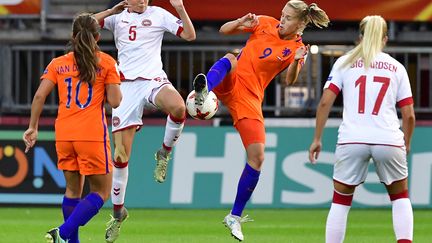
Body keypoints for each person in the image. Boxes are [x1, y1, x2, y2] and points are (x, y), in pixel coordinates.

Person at [191, 0, 329, 241]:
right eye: (282, 15)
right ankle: (204, 93)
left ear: (299, 23)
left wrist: (297, 60)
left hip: (251, 98)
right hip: (232, 81)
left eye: (287, 18)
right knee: (231, 58)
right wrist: (240, 23)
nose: (281, 20)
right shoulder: (264, 23)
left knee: (258, 157)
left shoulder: (297, 48)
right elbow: (224, 30)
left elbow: (290, 81)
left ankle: (234, 216)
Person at [93, 0, 196, 242]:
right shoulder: (117, 18)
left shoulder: (158, 14)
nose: (142, 1)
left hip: (152, 80)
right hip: (125, 88)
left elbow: (190, 36)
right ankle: (118, 214)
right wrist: (112, 11)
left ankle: (164, 153)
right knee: (120, 156)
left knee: (179, 107)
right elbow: (85, 25)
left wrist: (180, 8)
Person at [308, 15, 415, 243]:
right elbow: (409, 115)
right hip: (388, 139)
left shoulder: (344, 62)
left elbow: (325, 102)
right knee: (400, 197)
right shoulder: (397, 68)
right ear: (385, 39)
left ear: (360, 37)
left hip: (352, 139)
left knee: (340, 201)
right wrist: (406, 142)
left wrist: (317, 138)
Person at [22, 13, 122, 243]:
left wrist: (32, 127)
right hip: (92, 135)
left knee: (72, 191)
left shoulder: (58, 63)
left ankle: (70, 241)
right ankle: (63, 233)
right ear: (97, 37)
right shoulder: (106, 62)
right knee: (101, 192)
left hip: (65, 134)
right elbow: (115, 101)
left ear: (72, 36)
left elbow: (39, 96)